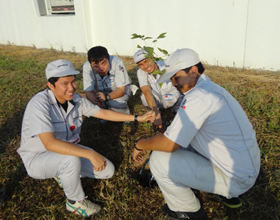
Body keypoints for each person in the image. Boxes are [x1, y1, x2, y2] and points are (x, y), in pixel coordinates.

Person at [133, 48, 260, 220]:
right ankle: (220, 190)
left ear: (193, 71)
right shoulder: (209, 89)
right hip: (242, 168)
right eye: (171, 78)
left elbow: (169, 144)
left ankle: (187, 211)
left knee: (159, 161)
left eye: (176, 77)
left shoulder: (199, 97)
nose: (174, 82)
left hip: (236, 178)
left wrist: (139, 143)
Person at [17, 59, 154, 217]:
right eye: (65, 83)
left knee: (107, 170)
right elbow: (49, 143)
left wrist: (137, 118)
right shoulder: (39, 104)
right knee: (70, 161)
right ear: (50, 85)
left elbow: (103, 113)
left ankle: (62, 173)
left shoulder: (75, 100)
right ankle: (74, 202)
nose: (71, 87)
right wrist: (90, 154)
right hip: (38, 158)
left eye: (73, 82)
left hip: (67, 151)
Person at [133, 49, 180, 128]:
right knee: (144, 97)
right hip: (157, 99)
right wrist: (156, 113)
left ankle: (176, 110)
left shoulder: (165, 66)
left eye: (146, 61)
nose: (145, 66)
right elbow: (146, 91)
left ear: (152, 57)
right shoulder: (141, 72)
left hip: (170, 97)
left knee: (175, 95)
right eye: (140, 64)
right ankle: (157, 111)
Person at [83, 46, 133, 116]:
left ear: (108, 59)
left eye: (104, 63)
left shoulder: (117, 62)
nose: (101, 68)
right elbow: (89, 92)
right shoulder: (87, 67)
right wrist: (96, 102)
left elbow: (121, 90)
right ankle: (105, 114)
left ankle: (125, 116)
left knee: (116, 102)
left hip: (118, 90)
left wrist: (106, 97)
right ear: (90, 64)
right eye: (96, 66)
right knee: (90, 103)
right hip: (100, 93)